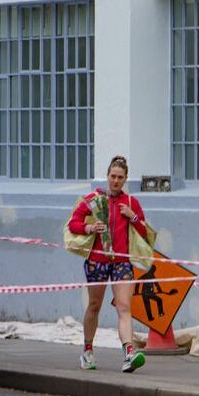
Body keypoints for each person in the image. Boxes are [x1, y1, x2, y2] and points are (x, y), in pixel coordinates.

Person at [67, 155, 155, 373]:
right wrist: (89, 228)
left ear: (125, 180)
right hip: (97, 261)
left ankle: (129, 353)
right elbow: (73, 224)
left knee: (125, 307)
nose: (116, 181)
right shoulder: (93, 199)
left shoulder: (132, 202)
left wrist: (133, 217)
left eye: (120, 177)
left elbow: (145, 234)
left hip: (122, 262)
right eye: (113, 176)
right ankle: (87, 351)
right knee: (94, 306)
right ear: (107, 176)